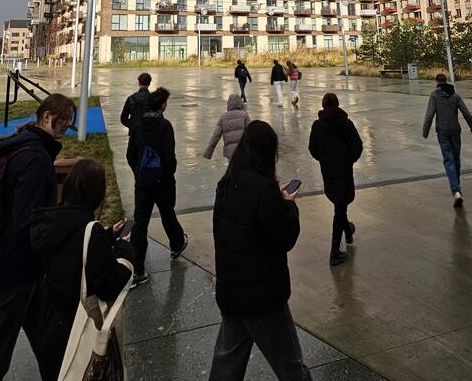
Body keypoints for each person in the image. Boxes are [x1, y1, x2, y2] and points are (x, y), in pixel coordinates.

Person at [0, 94, 75, 381]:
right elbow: (28, 219)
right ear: (47, 117)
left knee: (49, 341)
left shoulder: (26, 147)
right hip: (18, 267)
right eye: (62, 124)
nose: (65, 130)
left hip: (27, 266)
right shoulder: (35, 159)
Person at [208, 121, 310, 381]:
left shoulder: (226, 182)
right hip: (262, 297)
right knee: (291, 366)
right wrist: (287, 205)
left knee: (226, 364)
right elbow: (285, 237)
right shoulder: (265, 191)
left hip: (232, 292)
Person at [30, 158, 135, 381]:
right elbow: (110, 284)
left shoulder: (51, 220)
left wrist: (107, 236)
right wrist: (124, 248)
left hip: (48, 322)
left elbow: (72, 249)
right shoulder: (90, 232)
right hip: (76, 332)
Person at [125, 86, 187, 288]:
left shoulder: (137, 127)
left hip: (142, 183)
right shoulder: (165, 126)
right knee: (167, 212)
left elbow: (130, 155)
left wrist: (139, 172)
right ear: (162, 105)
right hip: (162, 182)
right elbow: (169, 158)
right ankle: (177, 244)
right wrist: (166, 174)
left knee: (140, 222)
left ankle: (137, 269)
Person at [307, 92, 363, 266]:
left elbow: (313, 148)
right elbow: (358, 146)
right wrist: (348, 160)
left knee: (339, 204)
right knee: (340, 207)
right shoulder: (346, 124)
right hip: (344, 169)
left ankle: (347, 230)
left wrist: (324, 159)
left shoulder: (317, 125)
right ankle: (334, 251)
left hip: (328, 170)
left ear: (323, 106)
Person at [422, 73, 472, 208]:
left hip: (442, 132)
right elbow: (466, 113)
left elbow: (430, 114)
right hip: (455, 131)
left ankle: (456, 191)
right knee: (456, 159)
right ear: (446, 81)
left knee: (449, 160)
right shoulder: (455, 95)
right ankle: (457, 188)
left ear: (436, 82)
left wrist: (425, 131)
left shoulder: (434, 95)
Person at [204, 93, 250, 160]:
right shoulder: (244, 115)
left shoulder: (224, 117)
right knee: (242, 168)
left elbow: (216, 136)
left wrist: (208, 152)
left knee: (232, 168)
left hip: (230, 152)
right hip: (242, 150)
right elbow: (251, 131)